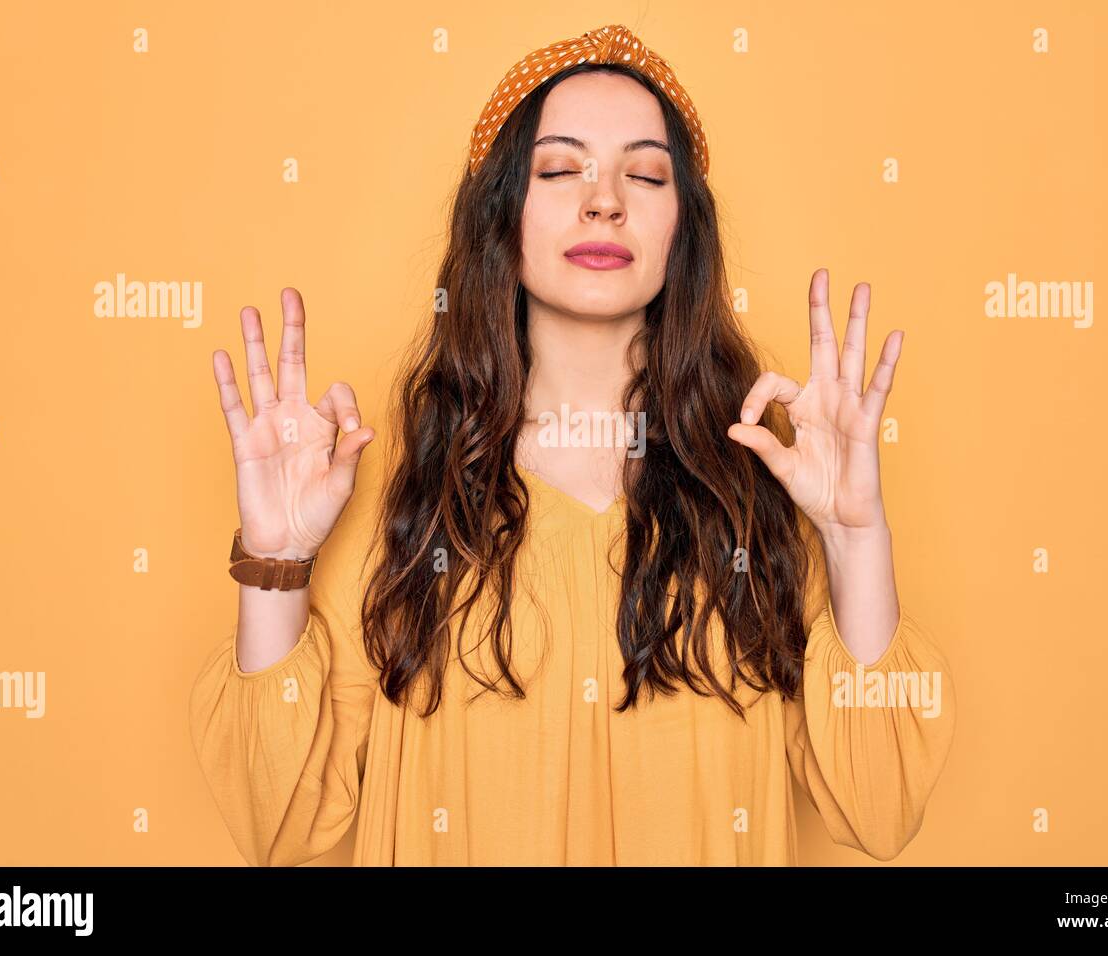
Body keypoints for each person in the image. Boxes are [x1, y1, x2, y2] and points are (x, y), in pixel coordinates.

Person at [188, 23, 957, 866]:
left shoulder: (765, 492)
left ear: (683, 232)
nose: (604, 199)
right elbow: (280, 825)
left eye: (645, 173)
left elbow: (880, 810)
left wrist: (853, 538)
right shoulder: (397, 498)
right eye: (560, 169)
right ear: (499, 216)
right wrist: (274, 562)